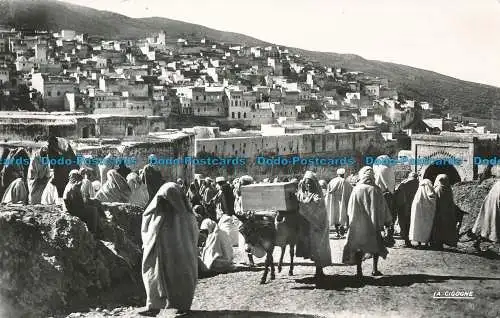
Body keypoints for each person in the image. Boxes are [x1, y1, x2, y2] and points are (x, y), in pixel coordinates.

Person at [140, 182, 198, 316]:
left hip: (179, 254)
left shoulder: (186, 216)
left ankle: (182, 306)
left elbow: (192, 235)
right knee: (152, 274)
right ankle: (153, 306)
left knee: (180, 275)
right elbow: (147, 229)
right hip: (158, 252)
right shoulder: (157, 212)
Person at [342, 166, 393, 278]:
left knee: (359, 247)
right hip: (373, 225)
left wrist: (350, 222)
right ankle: (374, 269)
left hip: (359, 225)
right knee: (376, 246)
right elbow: (383, 208)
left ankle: (359, 271)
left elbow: (350, 209)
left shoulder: (357, 189)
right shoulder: (376, 190)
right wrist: (387, 222)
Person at [296, 171, 332, 279]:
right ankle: (318, 270)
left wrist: (305, 205)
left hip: (318, 225)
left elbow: (315, 208)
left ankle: (319, 270)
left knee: (318, 248)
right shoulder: (304, 194)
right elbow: (300, 198)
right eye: (306, 183)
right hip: (309, 226)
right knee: (312, 248)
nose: (308, 185)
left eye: (310, 183)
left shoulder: (317, 196)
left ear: (315, 184)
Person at [234, 175, 258, 266]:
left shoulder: (246, 196)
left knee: (249, 240)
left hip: (249, 220)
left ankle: (249, 259)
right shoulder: (240, 197)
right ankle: (250, 260)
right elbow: (237, 211)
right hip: (244, 221)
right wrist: (246, 215)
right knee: (248, 240)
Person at [372, 155, 396, 246]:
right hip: (390, 195)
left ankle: (380, 237)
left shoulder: (380, 169)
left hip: (381, 195)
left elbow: (377, 183)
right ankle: (389, 235)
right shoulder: (390, 169)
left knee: (380, 215)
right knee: (389, 216)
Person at [431, 174, 459, 250]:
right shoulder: (449, 189)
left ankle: (437, 243)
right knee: (446, 228)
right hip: (447, 213)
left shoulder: (437, 189)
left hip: (438, 213)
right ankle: (444, 242)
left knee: (438, 228)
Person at [472, 180, 500, 250]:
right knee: (490, 226)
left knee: (486, 225)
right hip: (494, 204)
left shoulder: (498, 183)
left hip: (490, 205)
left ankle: (477, 241)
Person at [408, 179, 437, 247]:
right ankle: (425, 241)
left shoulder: (417, 195)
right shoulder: (428, 185)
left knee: (418, 225)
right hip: (426, 212)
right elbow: (431, 196)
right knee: (425, 226)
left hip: (418, 210)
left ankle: (418, 241)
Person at [394, 172, 420, 247]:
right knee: (409, 223)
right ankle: (408, 239)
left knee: (403, 223)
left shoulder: (404, 183)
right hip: (412, 206)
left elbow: (396, 192)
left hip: (402, 206)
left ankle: (406, 239)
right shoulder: (418, 183)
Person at [326, 168, 353, 238]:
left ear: (337, 174)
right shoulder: (345, 182)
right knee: (342, 215)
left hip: (334, 202)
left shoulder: (332, 181)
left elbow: (328, 192)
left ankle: (337, 232)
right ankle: (342, 230)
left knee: (335, 216)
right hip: (343, 201)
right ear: (343, 174)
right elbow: (350, 191)